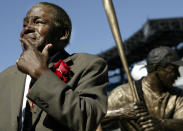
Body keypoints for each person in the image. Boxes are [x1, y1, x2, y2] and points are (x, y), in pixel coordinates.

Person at [0, 2, 108, 131]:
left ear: (63, 33)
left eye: (38, 22)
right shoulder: (5, 77)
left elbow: (88, 121)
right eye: (24, 24)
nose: (26, 29)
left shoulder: (88, 65)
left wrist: (41, 74)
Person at [102, 46, 183, 131]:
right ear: (158, 69)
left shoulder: (178, 95)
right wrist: (121, 112)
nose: (178, 75)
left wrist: (161, 124)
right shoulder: (123, 93)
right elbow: (94, 118)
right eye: (173, 70)